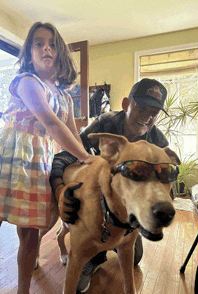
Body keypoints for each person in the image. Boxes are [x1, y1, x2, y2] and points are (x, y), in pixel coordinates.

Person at [0, 22, 95, 294]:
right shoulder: (28, 82)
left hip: (37, 163)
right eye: (39, 43)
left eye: (52, 44)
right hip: (8, 157)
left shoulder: (65, 97)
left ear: (61, 54)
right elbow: (52, 124)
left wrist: (84, 161)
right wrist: (86, 158)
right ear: (30, 53)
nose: (46, 48)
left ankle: (22, 290)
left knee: (29, 234)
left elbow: (72, 135)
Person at [50, 78, 169, 293]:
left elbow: (164, 181)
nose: (147, 116)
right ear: (126, 104)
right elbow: (65, 155)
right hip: (95, 200)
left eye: (154, 111)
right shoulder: (105, 123)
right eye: (141, 107)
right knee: (94, 239)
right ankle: (93, 256)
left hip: (129, 210)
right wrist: (59, 190)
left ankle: (106, 246)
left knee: (135, 256)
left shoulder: (158, 142)